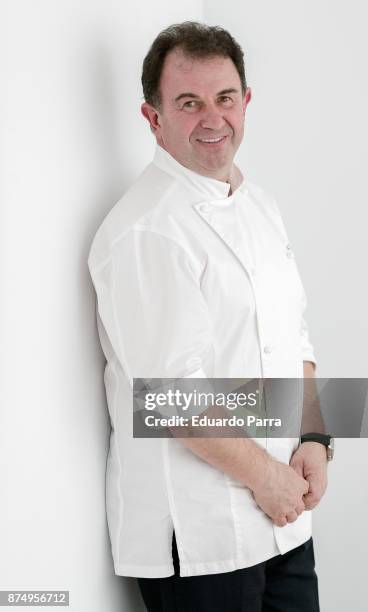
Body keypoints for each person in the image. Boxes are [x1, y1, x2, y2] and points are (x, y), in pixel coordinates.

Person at [88, 21, 332, 612]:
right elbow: (170, 396)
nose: (212, 118)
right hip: (201, 539)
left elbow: (292, 333)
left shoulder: (260, 204)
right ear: (153, 118)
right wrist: (268, 479)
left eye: (224, 98)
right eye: (188, 103)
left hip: (283, 518)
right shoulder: (147, 230)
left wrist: (316, 437)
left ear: (245, 102)